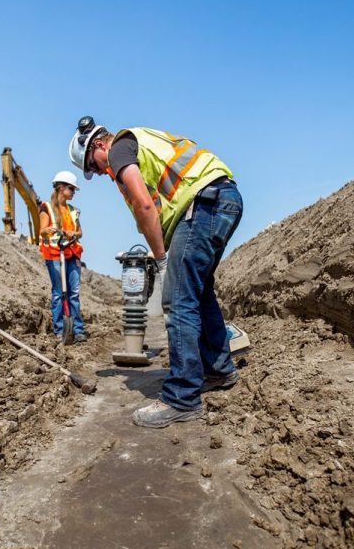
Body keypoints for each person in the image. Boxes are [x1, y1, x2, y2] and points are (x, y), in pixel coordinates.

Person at [69, 116, 243, 428]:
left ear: (98, 145)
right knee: (199, 295)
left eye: (93, 166)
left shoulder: (119, 149)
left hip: (204, 206)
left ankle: (182, 398)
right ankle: (218, 369)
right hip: (222, 199)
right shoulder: (140, 138)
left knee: (176, 301)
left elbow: (144, 204)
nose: (100, 173)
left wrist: (162, 258)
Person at [39, 170, 87, 343]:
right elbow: (42, 231)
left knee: (73, 293)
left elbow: (80, 232)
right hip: (54, 253)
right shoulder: (47, 208)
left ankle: (78, 330)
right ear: (61, 188)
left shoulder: (74, 211)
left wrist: (73, 233)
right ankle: (60, 330)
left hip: (72, 252)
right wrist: (48, 230)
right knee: (59, 293)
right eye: (71, 188)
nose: (73, 192)